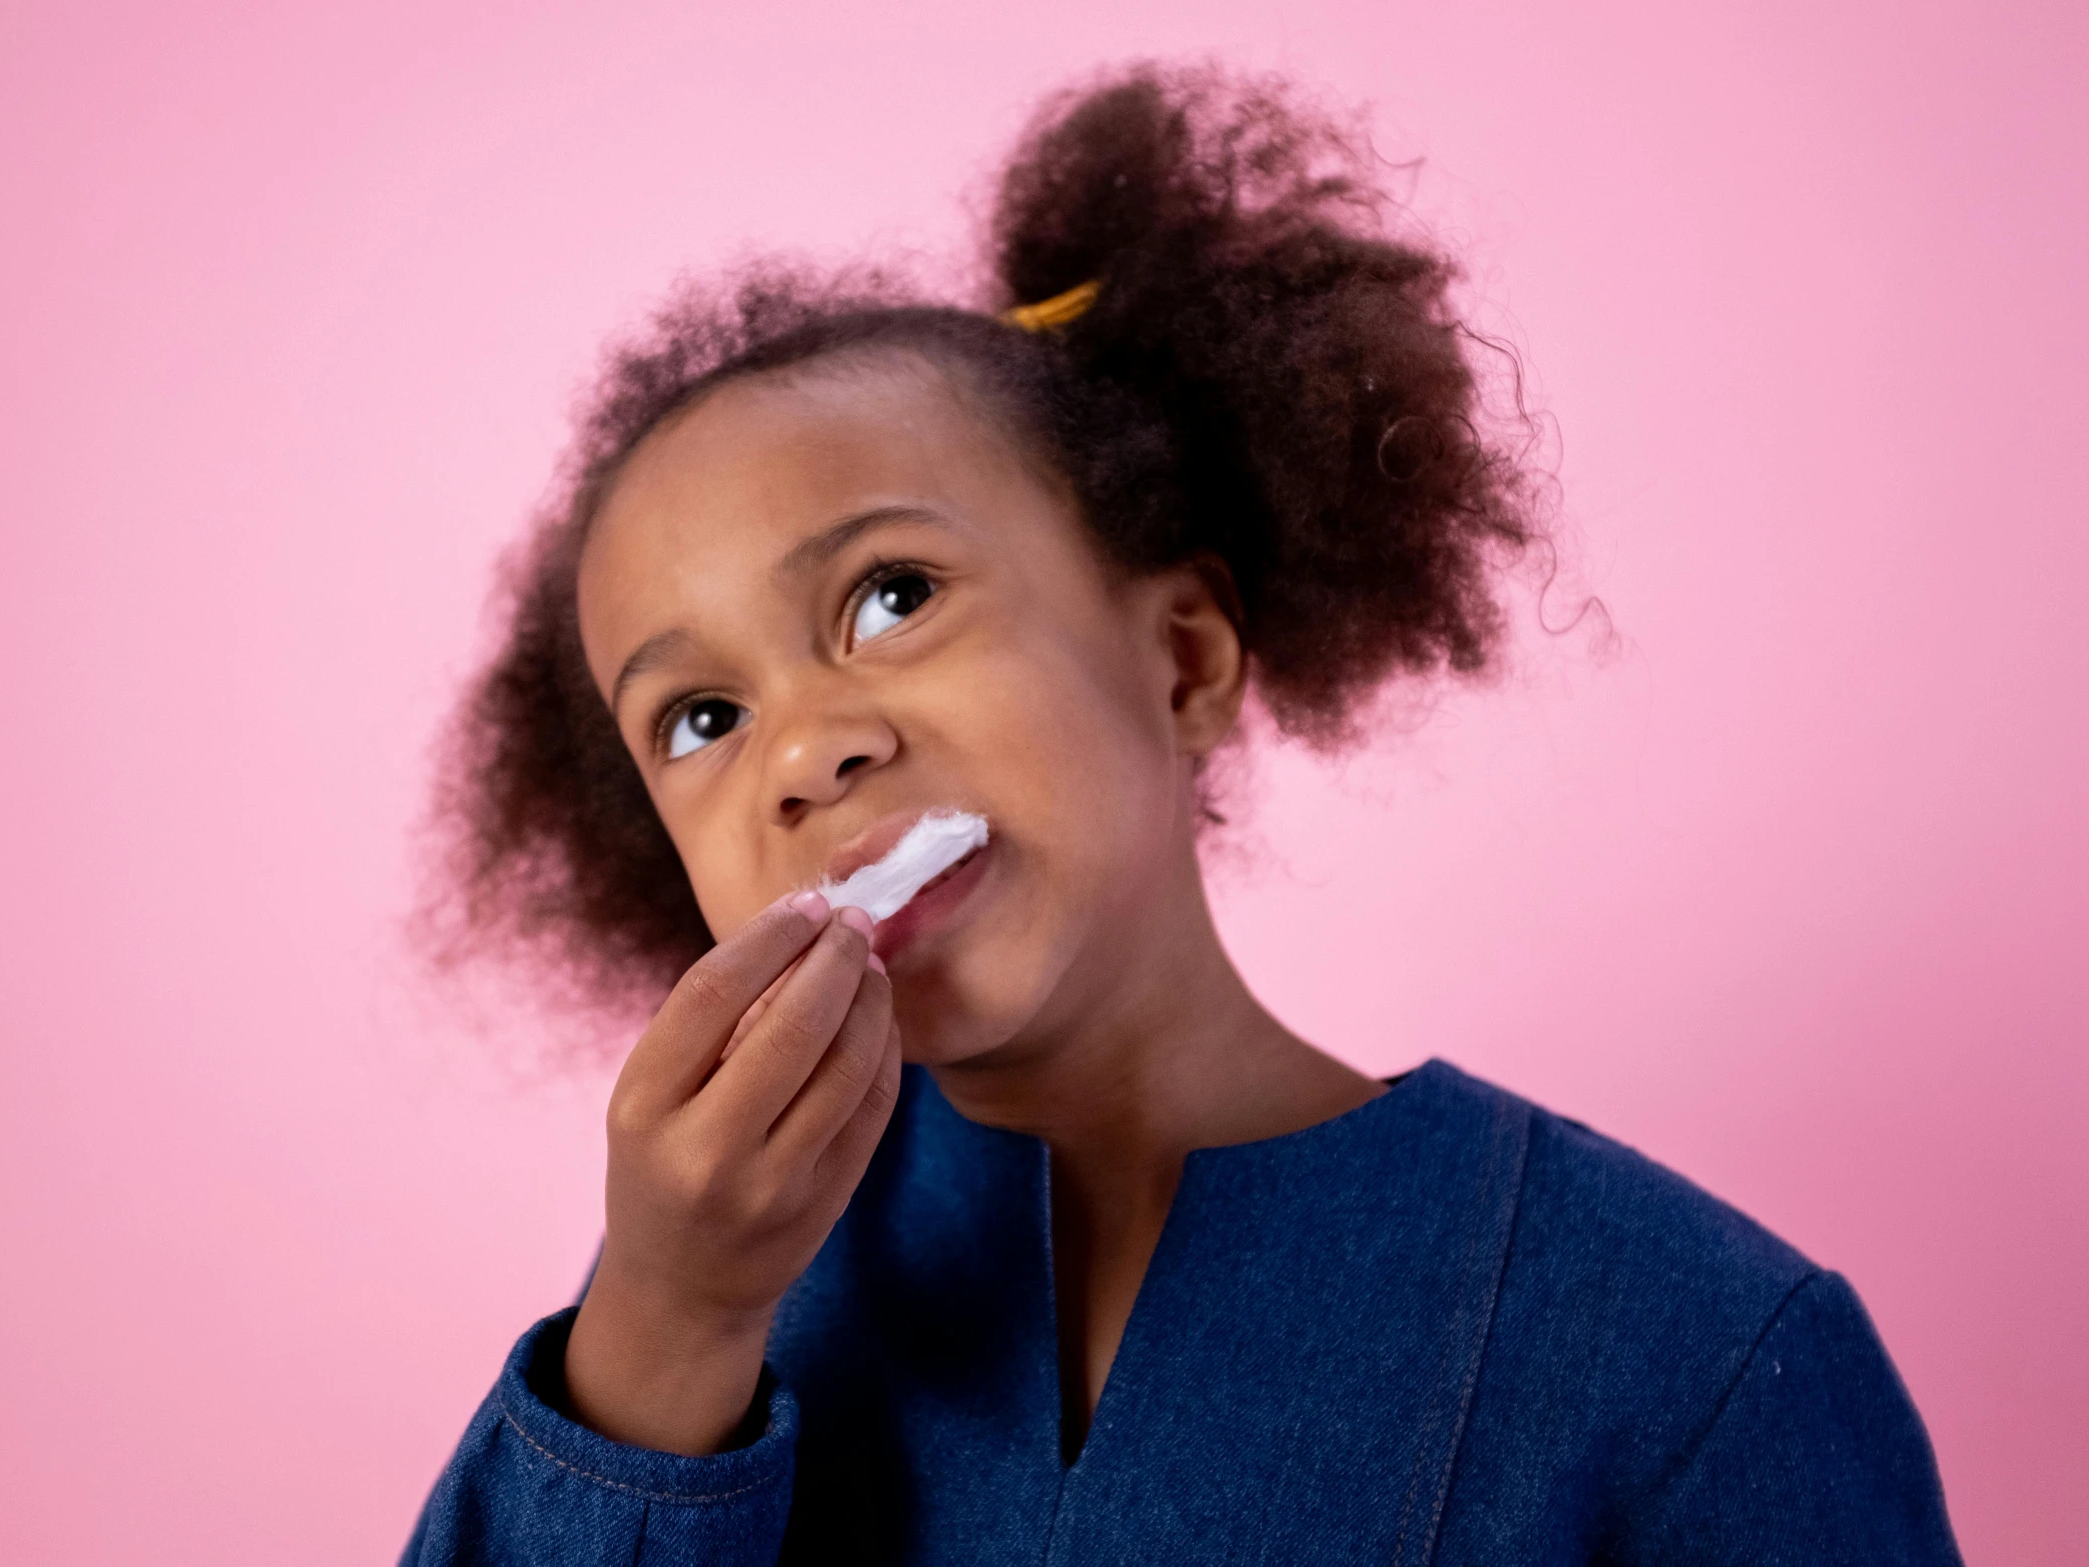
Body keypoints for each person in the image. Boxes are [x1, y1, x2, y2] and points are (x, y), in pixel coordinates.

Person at [403, 62, 1963, 1566]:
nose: (799, 754)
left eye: (892, 596)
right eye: (700, 718)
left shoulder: (1689, 1346)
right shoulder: (694, 1305)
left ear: (1183, 655)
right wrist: (672, 1323)